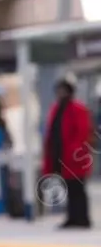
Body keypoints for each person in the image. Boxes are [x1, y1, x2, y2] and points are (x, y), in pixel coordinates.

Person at [41, 76, 94, 229]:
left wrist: (75, 151)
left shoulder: (78, 109)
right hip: (60, 156)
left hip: (75, 157)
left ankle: (82, 218)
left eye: (63, 91)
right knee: (69, 188)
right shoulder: (56, 109)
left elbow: (83, 132)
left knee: (78, 188)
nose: (60, 94)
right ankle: (72, 217)